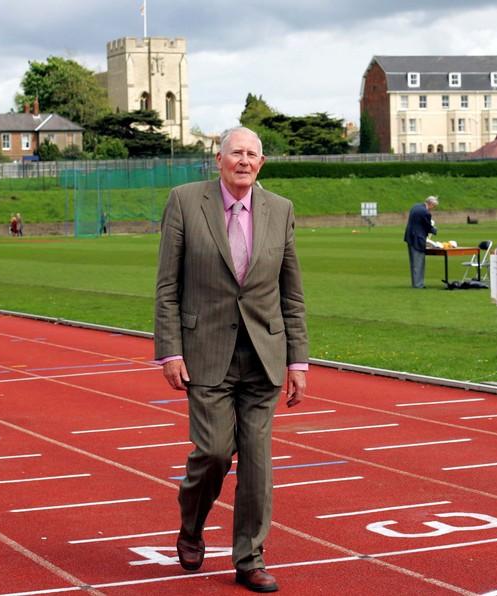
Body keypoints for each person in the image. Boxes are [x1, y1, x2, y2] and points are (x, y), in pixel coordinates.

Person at [154, 126, 309, 593]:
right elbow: (167, 286)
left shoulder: (280, 210)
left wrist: (298, 362)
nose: (244, 161)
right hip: (206, 354)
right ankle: (192, 526)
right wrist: (170, 350)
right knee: (215, 453)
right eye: (236, 153)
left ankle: (250, 558)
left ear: (261, 163)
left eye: (253, 154)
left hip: (265, 355)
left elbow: (292, 292)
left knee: (258, 464)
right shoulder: (185, 201)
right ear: (218, 159)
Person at [403, 195, 439, 288]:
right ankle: (418, 285)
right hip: (417, 239)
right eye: (433, 207)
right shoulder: (425, 212)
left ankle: (415, 283)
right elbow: (427, 226)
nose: (432, 209)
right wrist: (434, 230)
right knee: (419, 262)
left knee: (413, 262)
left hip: (410, 237)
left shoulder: (415, 206)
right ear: (430, 204)